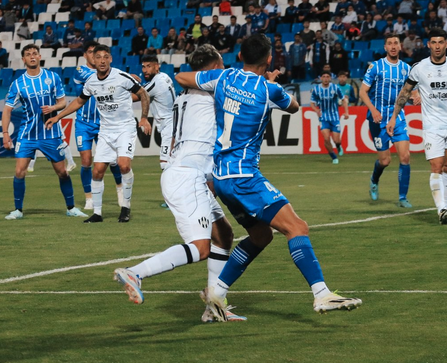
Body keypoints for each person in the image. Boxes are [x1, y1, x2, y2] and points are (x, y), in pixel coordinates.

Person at [175, 34, 362, 319]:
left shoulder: (223, 78)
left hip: (221, 178)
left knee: (261, 236)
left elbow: (182, 77)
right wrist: (272, 83)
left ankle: (217, 295)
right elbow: (294, 108)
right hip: (245, 178)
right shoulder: (268, 90)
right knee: (297, 227)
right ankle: (322, 294)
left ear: (240, 56)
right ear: (269, 59)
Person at [113, 45, 244, 322]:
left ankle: (214, 305)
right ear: (211, 68)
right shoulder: (209, 91)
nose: (223, 70)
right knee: (201, 247)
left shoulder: (186, 97)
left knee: (223, 235)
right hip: (187, 175)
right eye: (220, 64)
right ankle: (136, 272)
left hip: (185, 170)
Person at [387, 28, 447, 225]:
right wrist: (393, 116)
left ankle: (445, 206)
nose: (437, 46)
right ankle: (441, 208)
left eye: (441, 42)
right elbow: (405, 92)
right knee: (437, 166)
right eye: (434, 42)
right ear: (428, 45)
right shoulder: (419, 68)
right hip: (432, 126)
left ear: (446, 44)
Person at [45, 44, 151, 224]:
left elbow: (143, 93)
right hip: (106, 130)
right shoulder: (91, 81)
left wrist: (144, 118)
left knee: (124, 166)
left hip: (125, 128)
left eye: (105, 57)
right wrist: (58, 116)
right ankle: (97, 213)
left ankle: (125, 207)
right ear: (93, 59)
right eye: (98, 57)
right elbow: (79, 101)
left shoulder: (121, 77)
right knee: (97, 171)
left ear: (110, 59)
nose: (102, 60)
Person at [0, 44, 87, 220]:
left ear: (40, 57)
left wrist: (53, 107)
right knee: (19, 171)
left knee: (62, 172)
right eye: (28, 55)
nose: (32, 57)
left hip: (50, 133)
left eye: (34, 54)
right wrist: (5, 133)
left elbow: (63, 102)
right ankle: (18, 210)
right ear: (23, 60)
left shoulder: (52, 77)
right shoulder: (18, 84)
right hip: (27, 134)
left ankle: (71, 207)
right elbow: (7, 110)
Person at [360, 33, 413, 208]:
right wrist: (373, 110)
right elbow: (362, 92)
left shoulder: (406, 68)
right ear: (385, 47)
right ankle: (374, 181)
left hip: (398, 117)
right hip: (378, 119)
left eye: (395, 43)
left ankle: (402, 197)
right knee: (385, 161)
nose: (392, 46)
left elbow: (410, 91)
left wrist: (416, 96)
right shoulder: (376, 67)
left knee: (405, 156)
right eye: (389, 43)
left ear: (400, 47)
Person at [72, 42, 123, 211]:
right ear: (86, 56)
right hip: (84, 123)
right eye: (91, 53)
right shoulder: (81, 71)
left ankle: (120, 190)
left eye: (98, 53)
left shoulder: (109, 72)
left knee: (114, 160)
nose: (95, 56)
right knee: (86, 161)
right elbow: (98, 77)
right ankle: (89, 198)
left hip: (104, 122)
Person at [140, 54, 176, 208]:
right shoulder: (164, 77)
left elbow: (138, 96)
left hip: (170, 126)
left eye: (149, 66)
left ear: (157, 66)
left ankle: (172, 200)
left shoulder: (156, 83)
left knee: (165, 163)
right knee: (173, 162)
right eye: (143, 66)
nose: (145, 70)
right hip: (172, 123)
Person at [310, 70, 349, 164]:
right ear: (320, 78)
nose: (326, 79)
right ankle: (333, 157)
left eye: (327, 77)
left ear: (330, 78)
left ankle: (338, 146)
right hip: (323, 117)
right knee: (326, 138)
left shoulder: (335, 88)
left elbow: (344, 100)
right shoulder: (316, 89)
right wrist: (316, 110)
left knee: (336, 140)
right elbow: (312, 103)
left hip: (334, 117)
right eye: (324, 77)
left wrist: (346, 112)